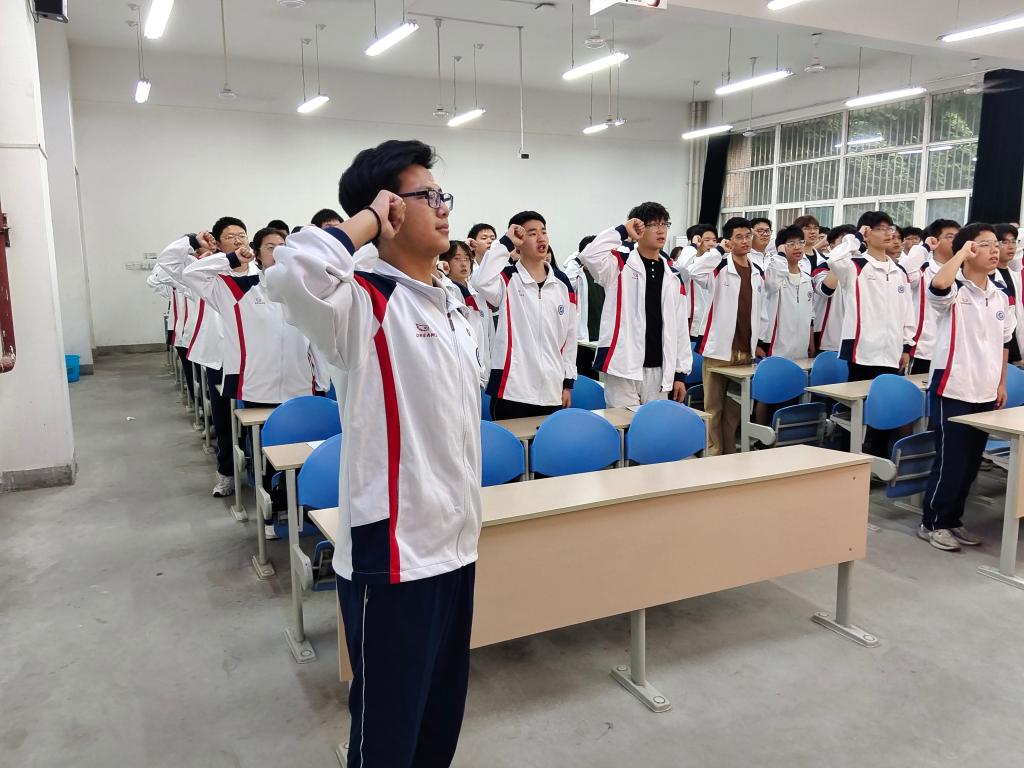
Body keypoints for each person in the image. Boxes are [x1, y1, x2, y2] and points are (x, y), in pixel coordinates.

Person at [263, 140, 480, 768]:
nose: (444, 207)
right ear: (388, 207)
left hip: (456, 543)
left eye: (444, 194)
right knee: (388, 733)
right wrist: (363, 223)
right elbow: (292, 271)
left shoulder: (452, 305)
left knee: (440, 716)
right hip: (395, 555)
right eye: (427, 195)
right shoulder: (362, 302)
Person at [920, 223, 1013, 551]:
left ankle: (953, 519)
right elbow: (938, 284)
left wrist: (1001, 383)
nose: (994, 250)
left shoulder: (1000, 294)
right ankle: (933, 522)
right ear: (968, 250)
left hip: (985, 390)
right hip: (953, 388)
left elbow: (1005, 342)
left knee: (972, 462)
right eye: (984, 244)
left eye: (995, 244)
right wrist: (960, 253)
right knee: (951, 461)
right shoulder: (954, 289)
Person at [819, 211, 916, 454]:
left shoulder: (898, 271)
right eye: (880, 229)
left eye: (890, 228)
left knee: (886, 408)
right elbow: (834, 259)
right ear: (867, 233)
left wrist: (907, 346)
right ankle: (848, 457)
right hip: (862, 351)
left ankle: (879, 457)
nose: (888, 233)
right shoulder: (856, 266)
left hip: (892, 351)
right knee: (855, 410)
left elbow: (907, 313)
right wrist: (854, 237)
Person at [578, 203, 691, 407]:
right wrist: (623, 230)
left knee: (653, 425)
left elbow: (680, 328)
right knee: (622, 424)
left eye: (664, 224)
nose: (661, 230)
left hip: (660, 368)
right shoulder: (619, 265)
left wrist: (680, 374)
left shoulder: (673, 276)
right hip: (623, 366)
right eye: (653, 225)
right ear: (638, 228)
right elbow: (589, 255)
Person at [471, 211, 577, 419]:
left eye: (543, 232)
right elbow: (480, 281)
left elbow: (569, 337)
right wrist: (506, 242)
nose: (541, 238)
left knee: (547, 441)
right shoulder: (507, 278)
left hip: (552, 390)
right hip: (512, 390)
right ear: (518, 242)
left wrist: (567, 383)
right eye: (532, 233)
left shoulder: (562, 283)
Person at [688, 216, 772, 455]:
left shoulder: (757, 271)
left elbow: (762, 311)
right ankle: (714, 453)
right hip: (719, 350)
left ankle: (729, 452)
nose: (745, 241)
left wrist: (760, 342)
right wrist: (717, 251)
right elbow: (694, 271)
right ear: (728, 240)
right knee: (713, 408)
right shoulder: (719, 267)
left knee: (735, 408)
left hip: (745, 351)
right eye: (739, 237)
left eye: (748, 236)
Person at [901, 219, 960, 375]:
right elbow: (904, 274)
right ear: (935, 240)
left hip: (953, 350)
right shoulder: (923, 269)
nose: (956, 240)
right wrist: (924, 248)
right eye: (950, 236)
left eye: (959, 236)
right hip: (924, 349)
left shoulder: (963, 272)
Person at [759, 226, 814, 361]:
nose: (797, 247)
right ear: (781, 247)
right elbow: (771, 285)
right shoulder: (774, 273)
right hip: (776, 348)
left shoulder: (807, 278)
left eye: (801, 242)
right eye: (791, 243)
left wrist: (811, 341)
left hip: (801, 349)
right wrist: (781, 256)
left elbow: (810, 315)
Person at [439, 239, 490, 384]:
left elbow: (487, 335)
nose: (463, 264)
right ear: (445, 262)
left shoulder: (478, 294)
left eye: (467, 259)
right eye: (457, 258)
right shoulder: (444, 293)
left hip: (483, 371)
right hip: (458, 373)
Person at [811, 224, 855, 354]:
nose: (848, 244)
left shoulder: (862, 268)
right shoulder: (823, 267)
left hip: (856, 338)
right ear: (831, 246)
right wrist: (838, 261)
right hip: (828, 339)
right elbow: (826, 290)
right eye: (844, 239)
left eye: (852, 240)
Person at [675, 223, 718, 341]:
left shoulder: (717, 263)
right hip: (692, 324)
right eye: (706, 240)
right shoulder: (689, 263)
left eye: (714, 240)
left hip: (713, 324)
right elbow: (682, 266)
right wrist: (692, 245)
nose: (712, 243)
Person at [994, 223, 1023, 363]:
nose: (1011, 246)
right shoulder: (988, 276)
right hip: (997, 348)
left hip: (1015, 345)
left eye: (1013, 241)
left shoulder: (1014, 274)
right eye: (1004, 242)